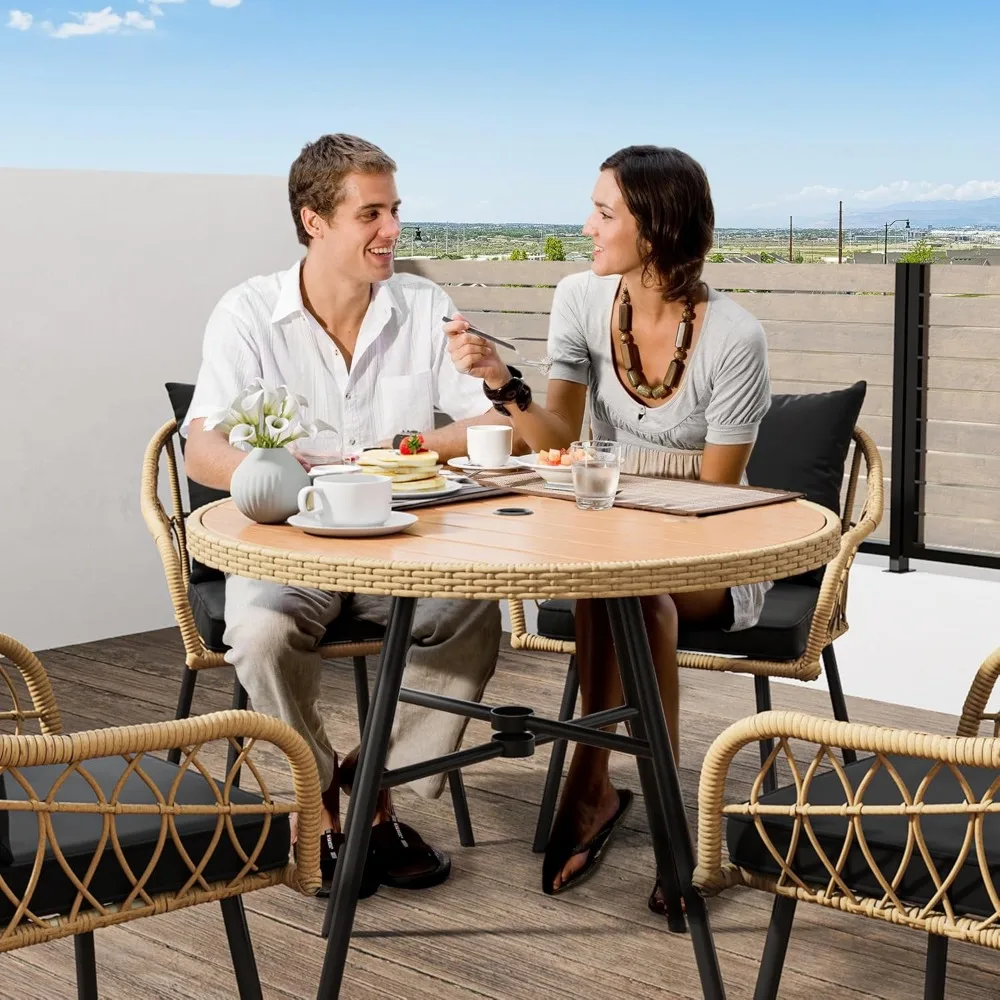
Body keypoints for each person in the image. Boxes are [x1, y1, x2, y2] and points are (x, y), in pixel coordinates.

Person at [445, 145, 770, 912]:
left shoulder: (734, 337)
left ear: (653, 229)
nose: (585, 226)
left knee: (635, 589)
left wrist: (618, 509)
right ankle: (627, 803)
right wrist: (502, 380)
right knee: (619, 589)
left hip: (710, 547)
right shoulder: (581, 299)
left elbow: (716, 501)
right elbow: (554, 431)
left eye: (603, 212)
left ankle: (602, 793)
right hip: (612, 526)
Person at [182, 133, 508, 897]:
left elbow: (492, 426)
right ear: (314, 221)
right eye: (372, 213)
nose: (393, 229)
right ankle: (325, 794)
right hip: (291, 549)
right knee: (259, 637)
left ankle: (367, 785)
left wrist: (396, 450)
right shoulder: (250, 312)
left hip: (402, 546)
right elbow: (203, 449)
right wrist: (284, 480)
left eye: (395, 209)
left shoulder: (424, 305)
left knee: (474, 607)